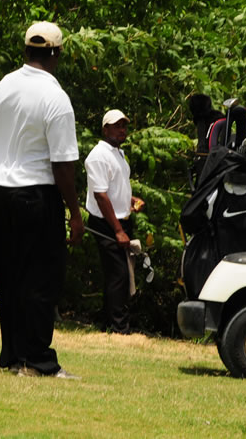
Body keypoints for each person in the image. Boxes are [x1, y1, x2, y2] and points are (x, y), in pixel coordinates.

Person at [0, 21, 83, 379]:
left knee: (10, 279)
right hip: (37, 195)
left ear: (27, 50)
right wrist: (74, 213)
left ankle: (14, 356)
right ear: (56, 54)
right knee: (42, 280)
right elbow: (62, 165)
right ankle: (38, 361)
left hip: (1, 195)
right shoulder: (55, 97)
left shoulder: (5, 85)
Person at [85, 109, 145, 334]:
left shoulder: (118, 153)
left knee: (117, 273)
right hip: (107, 222)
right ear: (105, 129)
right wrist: (118, 231)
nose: (122, 130)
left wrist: (130, 199)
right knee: (119, 274)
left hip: (121, 219)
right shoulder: (98, 156)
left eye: (124, 126)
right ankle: (120, 327)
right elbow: (101, 196)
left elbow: (115, 187)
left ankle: (109, 323)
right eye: (116, 126)